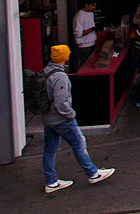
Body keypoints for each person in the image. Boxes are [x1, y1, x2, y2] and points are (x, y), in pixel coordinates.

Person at [41, 45, 115, 193]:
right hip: (62, 120)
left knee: (49, 150)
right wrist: (71, 115)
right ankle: (93, 173)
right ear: (64, 57)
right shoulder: (60, 77)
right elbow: (61, 103)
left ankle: (51, 181)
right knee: (79, 143)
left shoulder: (47, 71)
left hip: (48, 118)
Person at [72, 0, 98, 68]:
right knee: (85, 66)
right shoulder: (79, 16)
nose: (94, 7)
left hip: (92, 43)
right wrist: (92, 29)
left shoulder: (90, 13)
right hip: (84, 45)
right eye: (92, 5)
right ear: (86, 5)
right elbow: (78, 34)